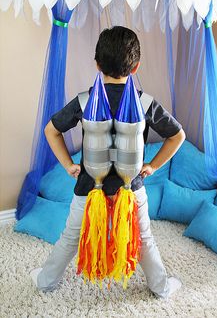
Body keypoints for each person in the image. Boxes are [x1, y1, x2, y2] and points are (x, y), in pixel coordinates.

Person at [30, 26, 185, 299]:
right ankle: (161, 287)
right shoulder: (145, 103)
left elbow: (50, 131)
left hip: (89, 187)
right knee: (144, 239)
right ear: (135, 67)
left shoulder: (84, 100)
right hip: (131, 187)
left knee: (70, 236)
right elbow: (177, 136)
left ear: (97, 64)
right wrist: (153, 166)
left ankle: (45, 281)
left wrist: (68, 164)